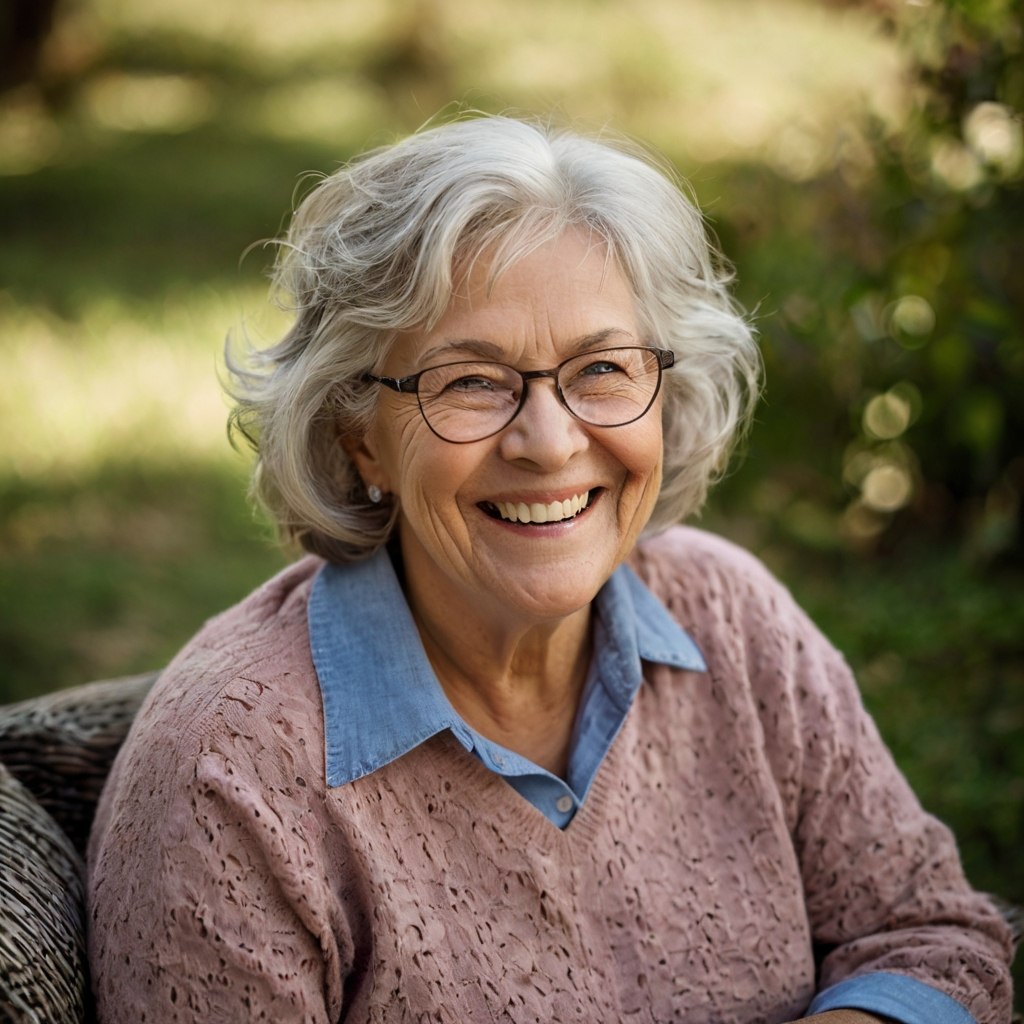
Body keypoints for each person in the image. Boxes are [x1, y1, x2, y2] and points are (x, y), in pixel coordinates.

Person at [86, 115, 1013, 1024]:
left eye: (602, 368)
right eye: (472, 381)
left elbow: (929, 936)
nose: (550, 441)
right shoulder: (229, 776)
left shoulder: (730, 617)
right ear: (358, 437)